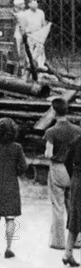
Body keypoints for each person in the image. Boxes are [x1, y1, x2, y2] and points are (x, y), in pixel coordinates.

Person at [0, 118, 27, 259]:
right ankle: (8, 248)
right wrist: (15, 173)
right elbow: (24, 167)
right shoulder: (17, 148)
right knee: (10, 218)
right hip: (11, 185)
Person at [44, 98, 81, 249]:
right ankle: (77, 241)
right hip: (73, 170)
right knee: (74, 205)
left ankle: (58, 242)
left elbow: (48, 153)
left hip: (58, 169)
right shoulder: (77, 130)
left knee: (58, 206)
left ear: (54, 111)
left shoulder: (51, 131)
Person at [63, 134, 81, 267]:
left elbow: (67, 161)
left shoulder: (76, 140)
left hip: (77, 179)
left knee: (75, 216)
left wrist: (74, 175)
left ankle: (67, 253)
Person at [22, 0, 49, 68]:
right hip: (29, 34)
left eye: (36, 3)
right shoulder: (26, 14)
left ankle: (40, 64)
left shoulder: (41, 13)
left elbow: (43, 24)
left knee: (40, 48)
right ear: (29, 4)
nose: (35, 5)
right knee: (29, 49)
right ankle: (30, 63)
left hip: (38, 35)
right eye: (33, 4)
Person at [12, 0, 27, 67]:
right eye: (22, 4)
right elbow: (21, 26)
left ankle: (20, 64)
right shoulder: (21, 14)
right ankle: (21, 64)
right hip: (20, 34)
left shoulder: (19, 14)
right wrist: (23, 33)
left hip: (18, 34)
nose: (24, 5)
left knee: (20, 50)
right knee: (21, 50)